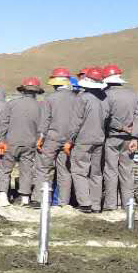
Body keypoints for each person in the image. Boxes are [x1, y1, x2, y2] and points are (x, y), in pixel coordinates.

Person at [35, 69, 83, 208]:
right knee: (64, 171)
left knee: (44, 169)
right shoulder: (77, 98)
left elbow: (45, 120)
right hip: (69, 140)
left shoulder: (50, 98)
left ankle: (41, 200)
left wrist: (40, 137)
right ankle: (63, 203)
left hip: (51, 138)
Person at [102, 64, 138, 211]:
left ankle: (111, 205)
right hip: (129, 139)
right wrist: (135, 138)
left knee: (110, 171)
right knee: (127, 172)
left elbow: (106, 118)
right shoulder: (134, 95)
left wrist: (120, 127)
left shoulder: (105, 95)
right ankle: (128, 204)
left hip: (112, 138)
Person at [71, 67, 110, 212]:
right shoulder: (104, 97)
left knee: (79, 171)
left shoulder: (82, 98)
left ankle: (85, 203)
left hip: (83, 139)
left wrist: (70, 139)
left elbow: (76, 122)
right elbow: (107, 117)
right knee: (96, 173)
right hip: (99, 138)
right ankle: (96, 205)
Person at [5, 77, 45, 205]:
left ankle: (3, 196)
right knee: (26, 170)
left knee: (5, 169)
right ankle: (25, 198)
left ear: (23, 90)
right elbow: (42, 128)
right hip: (30, 143)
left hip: (11, 141)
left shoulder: (11, 104)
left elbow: (4, 122)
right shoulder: (41, 107)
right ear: (36, 92)